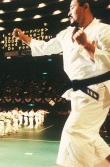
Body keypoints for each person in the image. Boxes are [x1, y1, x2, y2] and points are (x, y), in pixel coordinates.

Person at [12, 0, 110, 166]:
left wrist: (87, 46)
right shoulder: (66, 34)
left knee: (74, 131)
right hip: (79, 91)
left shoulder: (104, 31)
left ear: (86, 6)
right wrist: (23, 37)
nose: (68, 12)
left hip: (98, 89)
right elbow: (45, 47)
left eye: (72, 7)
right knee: (88, 134)